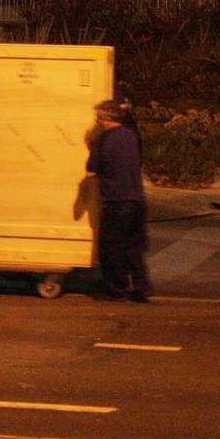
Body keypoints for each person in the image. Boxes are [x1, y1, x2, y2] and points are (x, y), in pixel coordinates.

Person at [85, 98, 152, 302]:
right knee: (133, 246)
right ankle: (141, 286)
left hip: (116, 201)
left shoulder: (102, 140)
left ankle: (115, 288)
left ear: (106, 119)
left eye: (98, 119)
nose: (97, 123)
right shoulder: (131, 136)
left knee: (110, 246)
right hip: (137, 200)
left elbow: (90, 172)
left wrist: (91, 146)